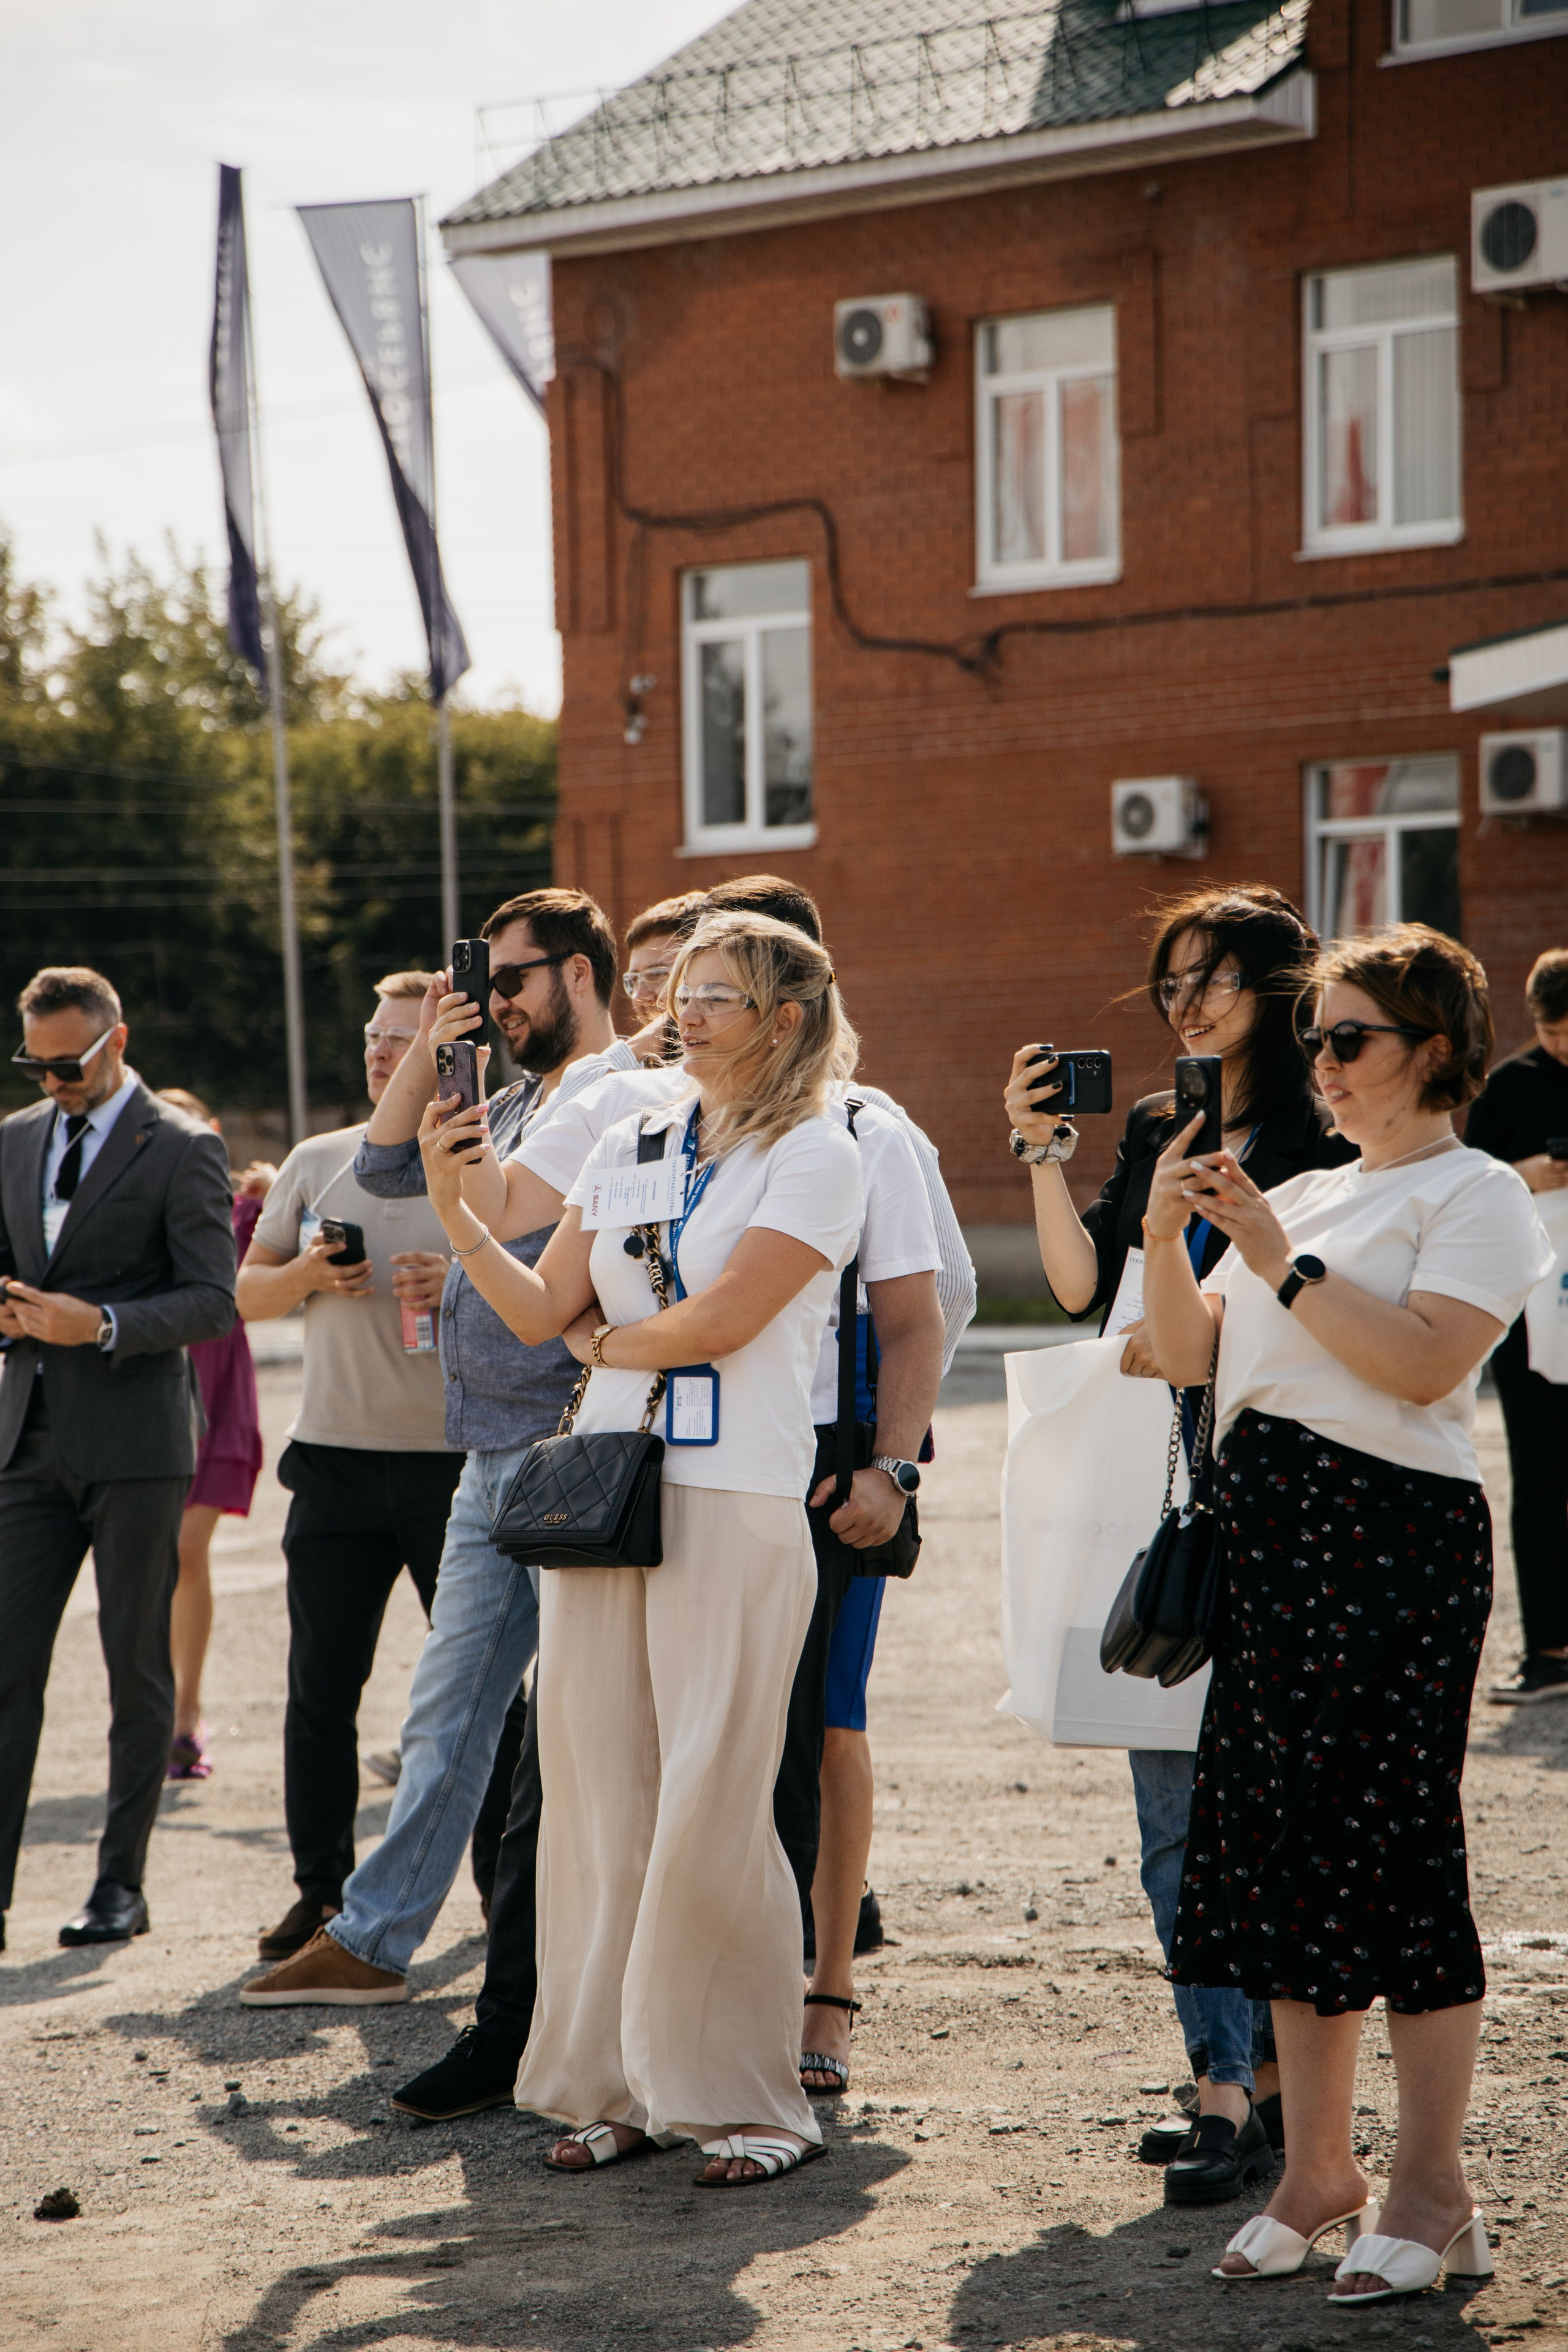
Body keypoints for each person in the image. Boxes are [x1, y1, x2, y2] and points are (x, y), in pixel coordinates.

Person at [388, 876, 970, 2125]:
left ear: (785, 1016)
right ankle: (609, 2084)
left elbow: (725, 1319)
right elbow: (541, 1307)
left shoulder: (822, 1146)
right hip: (609, 1498)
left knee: (718, 1800)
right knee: (595, 1801)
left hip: (737, 1496)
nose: (683, 1013)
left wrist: (610, 1347)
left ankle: (748, 2095)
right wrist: (452, 1208)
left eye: (717, 996)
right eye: (680, 991)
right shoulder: (630, 1139)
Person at [1139, 923, 1548, 2299]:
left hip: (1389, 1541)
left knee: (1389, 1852)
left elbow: (1428, 1366)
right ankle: (1317, 2168)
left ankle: (1431, 2184)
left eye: (1345, 1037)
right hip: (1273, 1539)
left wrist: (1273, 1259)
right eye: (1311, 1036)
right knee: (1271, 1849)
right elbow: (1182, 1354)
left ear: (1432, 1048)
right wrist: (1162, 1227)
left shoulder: (1473, 1188)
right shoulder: (1303, 1193)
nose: (1317, 1062)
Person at [1002, 884, 1356, 2204]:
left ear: (1279, 989)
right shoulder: (1161, 1122)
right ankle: (1218, 2089)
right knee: (1169, 1816)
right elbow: (1086, 1292)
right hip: (1165, 1492)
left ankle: (1279, 2094)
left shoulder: (1325, 1139)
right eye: (1169, 981)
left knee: (1277, 1820)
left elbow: (1285, 1315)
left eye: (1209, 978)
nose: (1185, 1002)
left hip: (1287, 1491)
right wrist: (1043, 1154)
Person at [238, 890, 647, 2005]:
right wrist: (435, 1042)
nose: (497, 1003)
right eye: (486, 983)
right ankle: (377, 1937)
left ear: (579, 974)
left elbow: (504, 1216)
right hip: (493, 1450)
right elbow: (379, 1172)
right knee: (453, 1708)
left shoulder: (610, 1095)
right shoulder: (519, 1100)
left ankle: (546, 1965)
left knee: (567, 1725)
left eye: (511, 981)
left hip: (569, 1446)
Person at [0, 966, 235, 1949]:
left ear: (117, 1042)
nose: (53, 1080)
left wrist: (97, 1324)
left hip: (137, 1447)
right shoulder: (11, 1141)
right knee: (9, 1668)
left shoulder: (184, 1148)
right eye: (37, 1065)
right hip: (26, 1442)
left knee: (132, 1664)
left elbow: (213, 1301)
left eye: (69, 1064)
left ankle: (118, 1888)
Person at [235, 973, 461, 1961]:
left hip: (455, 1471)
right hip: (331, 1466)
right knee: (320, 1693)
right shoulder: (319, 1162)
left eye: (405, 1038)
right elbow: (247, 1298)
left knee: (479, 1696)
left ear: (448, 1054)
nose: (382, 1052)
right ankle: (319, 1893)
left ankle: (507, 1895)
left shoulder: (482, 1160)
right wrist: (306, 1277)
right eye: (375, 1035)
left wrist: (457, 1284)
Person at [154, 1087, 274, 1781]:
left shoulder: (245, 1214)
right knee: (152, 1563)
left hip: (221, 1397)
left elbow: (315, 1220)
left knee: (186, 1548)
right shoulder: (140, 1208)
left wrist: (275, 1184)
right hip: (154, 1399)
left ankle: (184, 1717)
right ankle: (156, 1713)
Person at [1464, 946, 1568, 1702]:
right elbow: (1465, 1183)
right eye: (1551, 1032)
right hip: (1532, 1315)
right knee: (1536, 1478)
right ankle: (1548, 1651)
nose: (1562, 1046)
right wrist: (1523, 1176)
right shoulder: (1507, 1088)